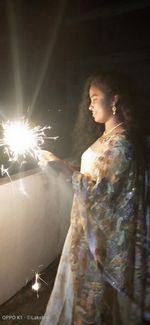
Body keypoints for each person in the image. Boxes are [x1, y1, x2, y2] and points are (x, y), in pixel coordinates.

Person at [39, 71, 149, 325]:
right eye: (89, 99)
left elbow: (103, 192)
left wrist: (62, 167)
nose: (89, 106)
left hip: (100, 243)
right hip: (84, 233)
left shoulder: (122, 145)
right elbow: (95, 176)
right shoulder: (107, 138)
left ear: (115, 100)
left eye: (95, 98)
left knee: (91, 308)